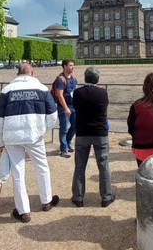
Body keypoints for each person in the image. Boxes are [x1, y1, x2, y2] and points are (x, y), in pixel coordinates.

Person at [0, 63, 59, 223]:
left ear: (18, 73)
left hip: (12, 137)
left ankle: (24, 212)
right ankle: (46, 201)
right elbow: (52, 114)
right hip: (34, 135)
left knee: (18, 173)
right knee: (42, 168)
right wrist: (42, 130)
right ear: (32, 72)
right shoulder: (42, 88)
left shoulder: (7, 90)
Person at [71, 66, 115, 208]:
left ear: (84, 78)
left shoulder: (77, 93)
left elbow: (75, 108)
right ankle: (106, 197)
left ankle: (78, 197)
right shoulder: (103, 93)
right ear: (98, 79)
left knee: (79, 166)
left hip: (82, 132)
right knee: (103, 166)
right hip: (100, 132)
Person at [52, 59, 77, 157]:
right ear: (65, 66)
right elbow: (60, 95)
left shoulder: (73, 78)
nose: (72, 67)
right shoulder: (60, 79)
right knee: (63, 129)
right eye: (70, 65)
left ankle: (68, 141)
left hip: (73, 106)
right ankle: (63, 149)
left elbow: (76, 91)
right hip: (64, 108)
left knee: (75, 126)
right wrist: (66, 108)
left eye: (73, 65)